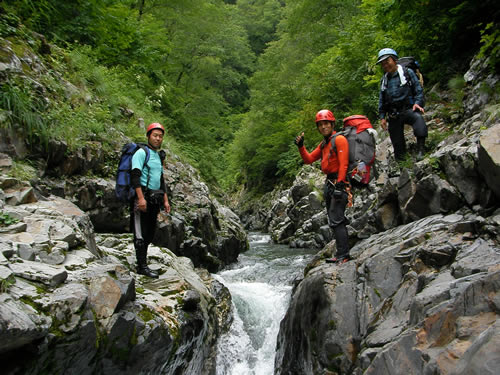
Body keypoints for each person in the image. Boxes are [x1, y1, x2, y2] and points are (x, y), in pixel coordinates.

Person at [294, 109, 351, 264]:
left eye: (326, 123)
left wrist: (340, 184)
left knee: (337, 219)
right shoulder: (325, 143)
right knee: (333, 219)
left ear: (332, 124)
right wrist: (301, 146)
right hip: (330, 183)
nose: (323, 127)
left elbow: (344, 163)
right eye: (320, 124)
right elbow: (309, 159)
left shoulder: (339, 140)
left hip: (339, 183)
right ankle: (340, 253)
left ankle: (344, 255)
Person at [130, 122, 171, 278]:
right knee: (140, 235)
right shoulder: (141, 153)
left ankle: (143, 263)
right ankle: (141, 267)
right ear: (148, 136)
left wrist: (165, 201)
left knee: (149, 233)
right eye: (155, 135)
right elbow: (135, 176)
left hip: (155, 200)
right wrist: (140, 198)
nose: (158, 138)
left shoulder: (158, 156)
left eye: (160, 136)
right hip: (142, 199)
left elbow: (160, 180)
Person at [377, 48, 428, 161]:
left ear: (394, 60)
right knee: (397, 143)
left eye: (387, 61)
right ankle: (402, 167)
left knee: (418, 120)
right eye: (383, 63)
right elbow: (382, 99)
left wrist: (417, 103)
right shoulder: (384, 81)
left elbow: (418, 90)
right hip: (393, 114)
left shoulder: (407, 73)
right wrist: (382, 117)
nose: (385, 65)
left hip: (408, 108)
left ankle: (421, 149)